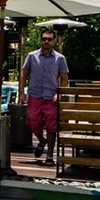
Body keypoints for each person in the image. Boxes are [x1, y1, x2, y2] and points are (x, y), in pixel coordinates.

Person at [21, 29, 70, 162]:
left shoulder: (60, 58)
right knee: (32, 123)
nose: (46, 41)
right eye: (44, 39)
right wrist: (21, 92)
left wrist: (60, 93)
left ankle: (49, 156)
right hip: (35, 95)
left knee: (51, 127)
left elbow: (64, 77)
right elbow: (24, 74)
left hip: (51, 97)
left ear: (54, 41)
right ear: (40, 40)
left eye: (49, 39)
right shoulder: (32, 56)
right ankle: (42, 141)